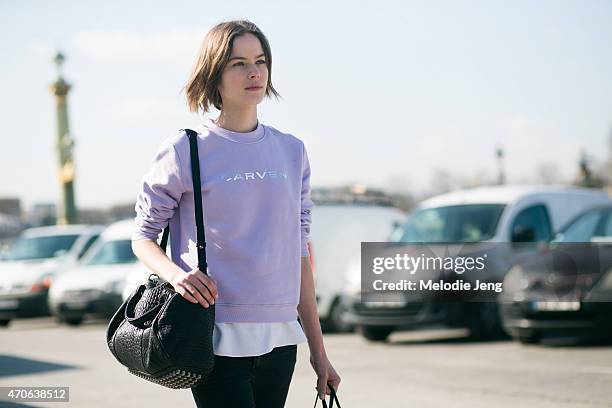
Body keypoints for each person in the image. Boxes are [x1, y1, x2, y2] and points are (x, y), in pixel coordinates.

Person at [130, 19, 341, 407]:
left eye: (260, 61)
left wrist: (318, 351)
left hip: (280, 335)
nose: (254, 72)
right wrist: (179, 277)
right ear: (214, 74)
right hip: (212, 333)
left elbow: (299, 254)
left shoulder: (292, 151)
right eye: (238, 63)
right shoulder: (185, 149)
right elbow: (142, 237)